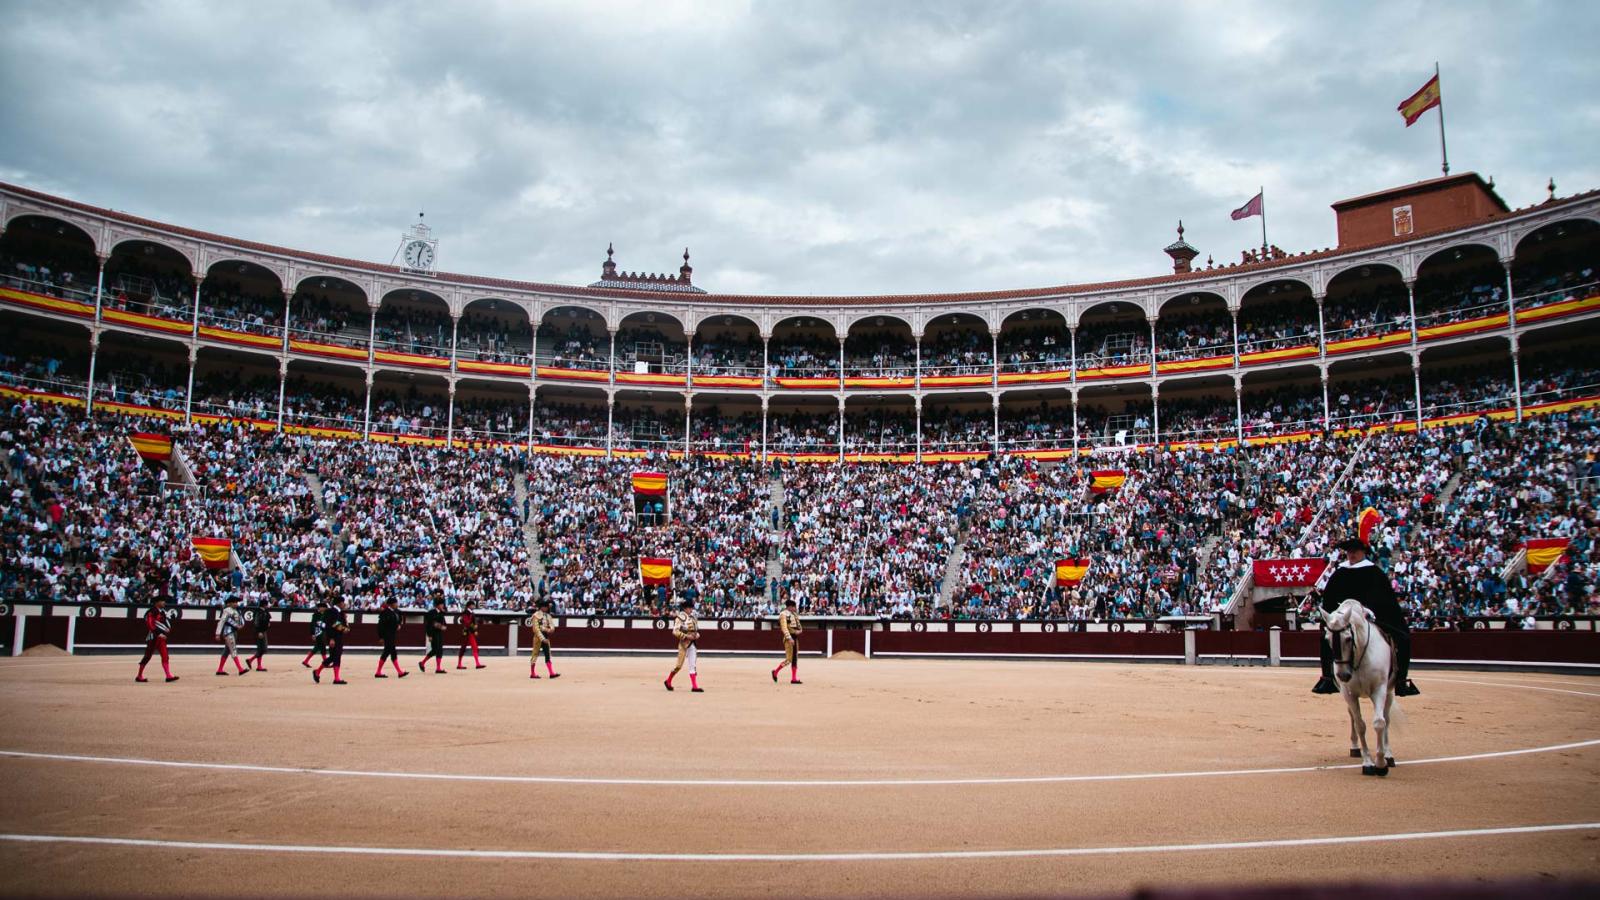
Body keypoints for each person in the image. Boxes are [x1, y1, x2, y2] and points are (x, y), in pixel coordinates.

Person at [1312, 537, 1420, 697]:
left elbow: (1385, 599)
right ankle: (1328, 677)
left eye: (1355, 551)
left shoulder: (1374, 572)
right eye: (1349, 551)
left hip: (1371, 616)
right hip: (1343, 618)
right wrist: (1335, 614)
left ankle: (1400, 680)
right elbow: (1329, 600)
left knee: (1402, 637)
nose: (1351, 554)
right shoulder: (1340, 573)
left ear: (1363, 552)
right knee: (1325, 637)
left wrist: (1369, 611)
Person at [136, 596, 178, 683]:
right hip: (153, 637)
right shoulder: (152, 612)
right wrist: (159, 634)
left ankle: (168, 675)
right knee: (148, 656)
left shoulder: (162, 612)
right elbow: (150, 624)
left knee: (165, 656)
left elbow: (165, 623)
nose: (164, 603)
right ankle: (139, 676)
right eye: (162, 601)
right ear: (157, 603)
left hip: (161, 638)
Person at [664, 599, 702, 692]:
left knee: (692, 665)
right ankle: (668, 681)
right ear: (685, 609)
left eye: (691, 608)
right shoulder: (680, 618)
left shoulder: (693, 617)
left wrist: (697, 635)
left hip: (692, 644)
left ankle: (694, 686)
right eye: (689, 608)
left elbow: (696, 630)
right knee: (678, 666)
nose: (691, 610)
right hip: (683, 644)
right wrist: (686, 636)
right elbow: (675, 631)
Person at [313, 597, 350, 684]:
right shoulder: (331, 611)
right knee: (336, 656)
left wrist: (346, 627)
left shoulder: (340, 613)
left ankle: (317, 672)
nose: (344, 604)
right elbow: (330, 625)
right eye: (343, 602)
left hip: (338, 637)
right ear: (339, 603)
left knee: (333, 657)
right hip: (333, 637)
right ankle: (336, 678)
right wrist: (332, 638)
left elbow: (340, 625)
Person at [214, 595, 249, 676]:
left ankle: (220, 670)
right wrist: (217, 634)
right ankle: (240, 669)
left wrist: (240, 625)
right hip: (228, 632)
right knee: (233, 650)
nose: (236, 604)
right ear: (230, 603)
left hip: (233, 632)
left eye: (236, 602)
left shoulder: (236, 611)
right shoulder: (227, 610)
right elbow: (221, 622)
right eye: (234, 602)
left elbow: (239, 621)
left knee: (226, 651)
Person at [375, 596, 408, 678]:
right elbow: (381, 626)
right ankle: (379, 672)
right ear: (391, 604)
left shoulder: (396, 612)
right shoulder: (385, 612)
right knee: (388, 652)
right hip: (387, 635)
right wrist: (381, 637)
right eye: (395, 603)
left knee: (391, 652)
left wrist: (399, 625)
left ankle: (398, 672)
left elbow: (399, 619)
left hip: (392, 635)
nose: (397, 604)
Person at [771, 598, 803, 685]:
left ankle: (794, 678)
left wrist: (799, 631)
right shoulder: (783, 614)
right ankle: (775, 671)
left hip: (795, 638)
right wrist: (789, 638)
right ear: (789, 607)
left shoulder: (795, 614)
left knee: (795, 659)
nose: (795, 609)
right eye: (794, 607)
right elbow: (784, 627)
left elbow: (799, 626)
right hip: (789, 638)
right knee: (789, 659)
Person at [529, 599, 560, 680]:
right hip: (538, 638)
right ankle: (532, 673)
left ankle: (551, 673)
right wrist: (542, 639)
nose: (547, 608)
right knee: (535, 654)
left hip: (546, 636)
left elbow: (552, 625)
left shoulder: (548, 616)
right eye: (546, 607)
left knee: (548, 654)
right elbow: (536, 629)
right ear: (542, 607)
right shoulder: (536, 615)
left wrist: (550, 630)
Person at [419, 595, 448, 674]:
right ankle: (423, 663)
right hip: (433, 633)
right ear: (437, 605)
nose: (443, 605)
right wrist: (430, 635)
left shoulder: (441, 613)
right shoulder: (431, 613)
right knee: (435, 650)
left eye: (443, 604)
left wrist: (443, 627)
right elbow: (428, 625)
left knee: (439, 650)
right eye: (441, 604)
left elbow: (444, 624)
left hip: (439, 633)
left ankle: (437, 668)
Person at [456, 599, 485, 670]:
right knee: (465, 648)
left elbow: (468, 622)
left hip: (469, 632)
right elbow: (467, 622)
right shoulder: (466, 612)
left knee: (473, 647)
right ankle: (460, 664)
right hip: (467, 632)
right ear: (470, 606)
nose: (474, 606)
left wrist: (475, 629)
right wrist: (474, 628)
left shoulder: (471, 613)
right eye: (473, 605)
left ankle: (477, 663)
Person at [301, 599, 329, 668]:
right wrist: (313, 634)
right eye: (323, 607)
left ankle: (306, 661)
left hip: (323, 632)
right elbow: (312, 624)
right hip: (318, 633)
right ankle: (325, 662)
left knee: (317, 648)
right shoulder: (316, 615)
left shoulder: (325, 615)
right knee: (322, 647)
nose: (324, 608)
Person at [246, 596, 271, 671]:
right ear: (264, 605)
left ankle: (257, 665)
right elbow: (256, 623)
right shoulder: (259, 612)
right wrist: (259, 631)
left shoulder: (264, 611)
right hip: (260, 632)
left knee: (261, 649)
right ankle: (252, 660)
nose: (268, 606)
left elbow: (266, 620)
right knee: (263, 649)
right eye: (267, 604)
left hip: (263, 631)